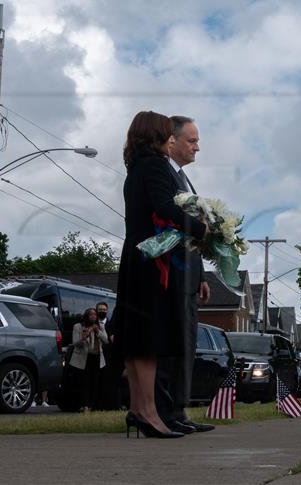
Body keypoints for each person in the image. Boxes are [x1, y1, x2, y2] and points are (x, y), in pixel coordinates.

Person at [114, 110, 207, 439]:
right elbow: (164, 206)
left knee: (138, 341)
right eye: (168, 134)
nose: (172, 139)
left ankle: (140, 410)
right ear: (154, 134)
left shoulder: (135, 168)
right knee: (149, 341)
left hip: (136, 257)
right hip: (151, 262)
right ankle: (150, 413)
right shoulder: (154, 166)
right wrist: (200, 229)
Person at [154, 115, 214, 434]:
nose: (197, 147)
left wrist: (202, 274)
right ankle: (165, 411)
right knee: (173, 344)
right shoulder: (162, 173)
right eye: (191, 141)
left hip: (190, 275)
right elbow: (171, 224)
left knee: (187, 344)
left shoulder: (186, 180)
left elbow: (194, 234)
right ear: (172, 141)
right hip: (171, 271)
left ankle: (179, 410)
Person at [69, 307, 108, 413]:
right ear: (87, 316)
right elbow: (75, 343)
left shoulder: (100, 326)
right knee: (84, 382)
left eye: (95, 314)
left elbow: (106, 340)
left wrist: (97, 331)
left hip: (97, 357)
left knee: (94, 383)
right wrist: (83, 337)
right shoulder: (78, 327)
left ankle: (91, 405)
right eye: (90, 314)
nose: (93, 316)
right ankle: (85, 406)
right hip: (83, 358)